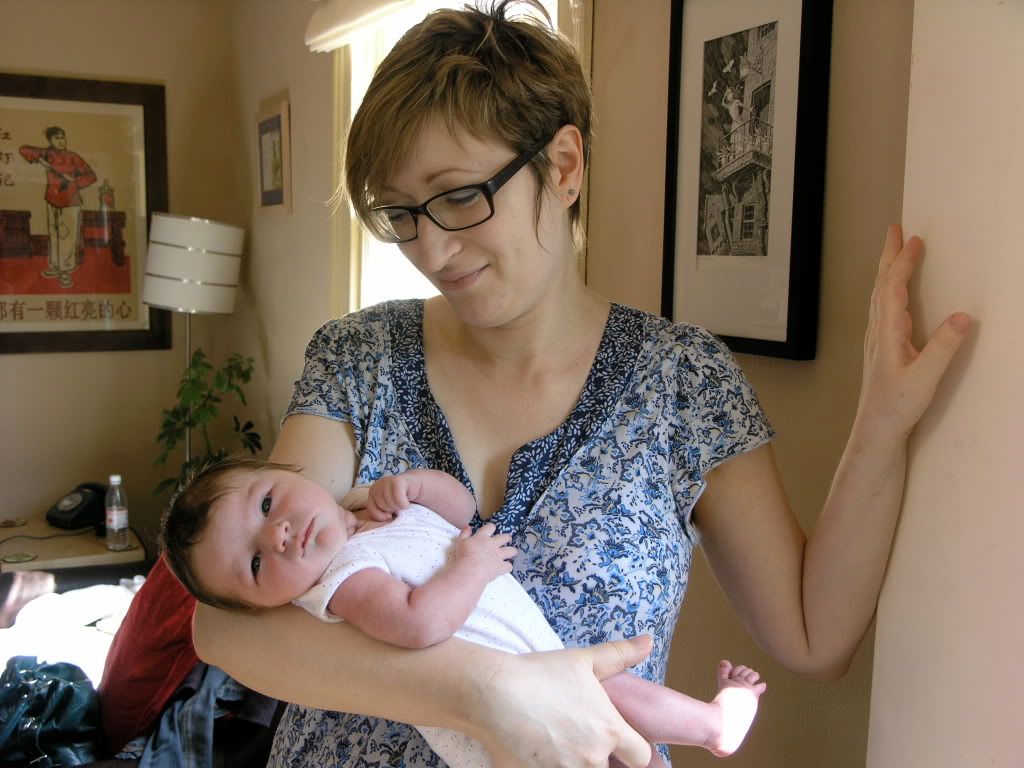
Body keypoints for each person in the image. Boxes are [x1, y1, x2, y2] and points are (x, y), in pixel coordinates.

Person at [185, 2, 972, 767]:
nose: (429, 248)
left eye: (459, 196)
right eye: (400, 214)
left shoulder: (682, 382)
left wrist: (883, 425)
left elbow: (813, 636)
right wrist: (491, 693)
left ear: (562, 166)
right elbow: (228, 627)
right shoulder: (357, 357)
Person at [161, 458, 767, 765]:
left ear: (289, 471)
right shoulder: (344, 583)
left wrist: (420, 487)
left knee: (619, 701)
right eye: (258, 565)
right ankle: (715, 727)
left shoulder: (368, 514)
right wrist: (470, 568)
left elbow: (460, 514)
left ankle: (715, 726)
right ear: (264, 604)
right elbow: (419, 621)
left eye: (268, 503)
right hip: (495, 717)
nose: (281, 535)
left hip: (542, 658)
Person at [19, 126, 97, 289]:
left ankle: (66, 270)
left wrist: (74, 183)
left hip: (70, 202)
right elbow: (24, 149)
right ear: (50, 141)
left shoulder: (74, 158)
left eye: (62, 137)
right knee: (54, 235)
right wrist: (38, 159)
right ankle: (55, 266)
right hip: (51, 200)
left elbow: (91, 176)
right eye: (56, 138)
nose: (61, 141)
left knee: (67, 237)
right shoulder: (47, 154)